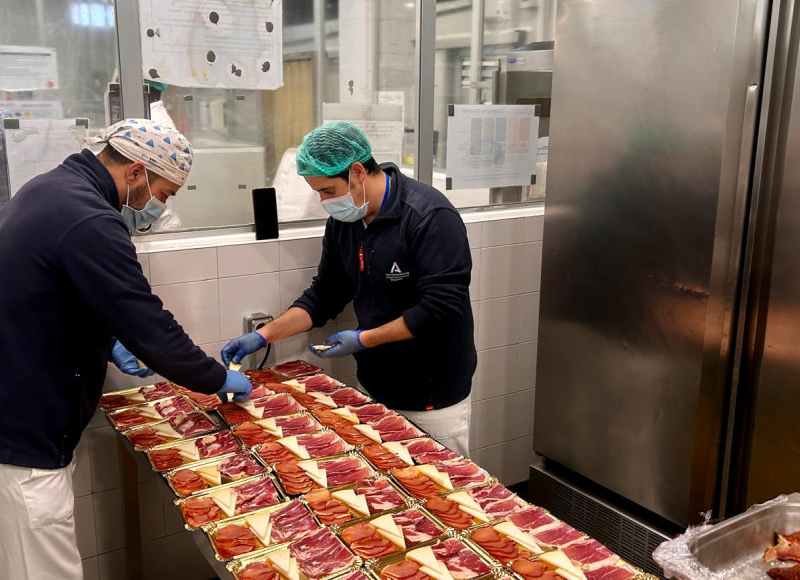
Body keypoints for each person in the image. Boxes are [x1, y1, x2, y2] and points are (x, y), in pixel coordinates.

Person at [0, 118, 251, 580]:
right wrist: (216, 379)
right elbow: (149, 323)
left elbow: (57, 287)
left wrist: (108, 337)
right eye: (165, 193)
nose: (159, 206)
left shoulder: (50, 189)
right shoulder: (91, 218)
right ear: (136, 171)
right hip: (25, 434)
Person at [222, 121, 476, 455]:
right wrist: (264, 335)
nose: (324, 201)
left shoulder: (429, 216)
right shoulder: (346, 224)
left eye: (327, 191)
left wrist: (363, 339)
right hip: (374, 384)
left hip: (431, 395)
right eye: (317, 192)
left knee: (442, 493)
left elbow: (440, 309)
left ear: (357, 172)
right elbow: (324, 294)